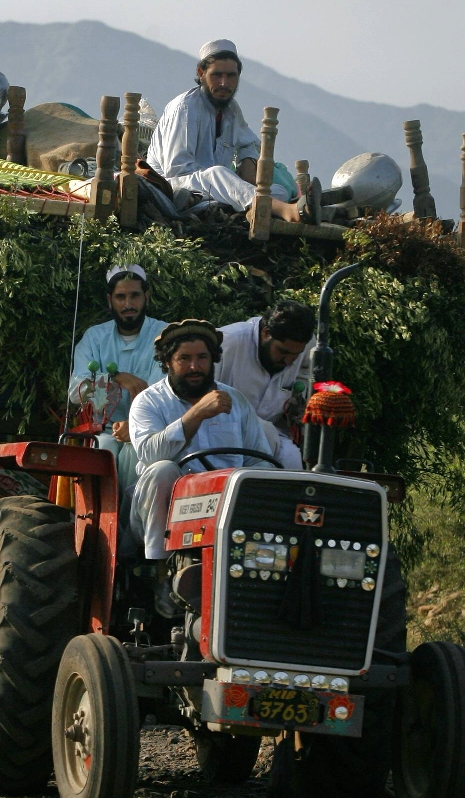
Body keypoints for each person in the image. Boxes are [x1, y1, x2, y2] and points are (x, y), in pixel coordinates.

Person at [146, 39, 343, 224]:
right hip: (174, 188)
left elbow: (249, 142)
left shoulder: (231, 111)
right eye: (216, 75)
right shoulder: (185, 108)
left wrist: (246, 162)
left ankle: (274, 206)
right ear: (201, 73)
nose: (224, 83)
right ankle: (290, 212)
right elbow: (177, 169)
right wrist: (228, 183)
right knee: (219, 174)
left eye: (231, 76)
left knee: (278, 191)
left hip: (215, 190)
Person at [129, 320, 274, 565]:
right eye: (184, 358)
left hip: (225, 506)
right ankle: (158, 570)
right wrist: (196, 414)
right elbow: (150, 455)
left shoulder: (235, 401)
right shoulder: (148, 402)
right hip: (166, 511)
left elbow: (260, 460)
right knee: (162, 469)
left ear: (213, 359)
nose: (194, 367)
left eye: (202, 358)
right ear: (167, 362)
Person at [69, 265, 168, 489]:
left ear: (147, 297)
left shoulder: (165, 336)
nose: (128, 305)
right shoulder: (94, 337)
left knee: (136, 452)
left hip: (151, 429)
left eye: (134, 295)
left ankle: (128, 523)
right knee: (103, 452)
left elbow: (163, 392)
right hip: (104, 430)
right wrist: (116, 378)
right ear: (109, 300)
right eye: (120, 297)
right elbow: (76, 393)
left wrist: (134, 425)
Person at [216, 300, 316, 470]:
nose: (289, 361)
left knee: (293, 461)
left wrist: (299, 398)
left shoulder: (307, 345)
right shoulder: (228, 343)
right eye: (283, 352)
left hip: (276, 435)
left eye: (295, 355)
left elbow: (307, 373)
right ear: (266, 333)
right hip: (222, 434)